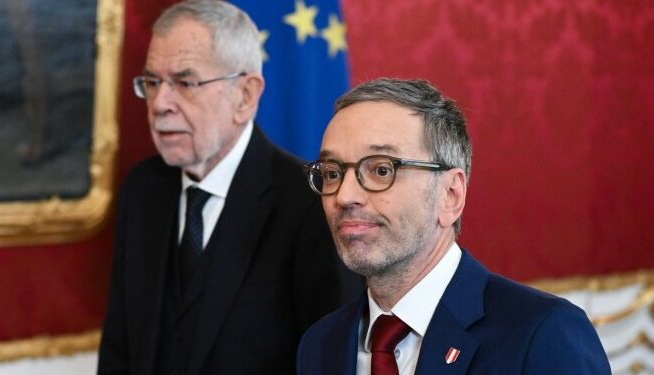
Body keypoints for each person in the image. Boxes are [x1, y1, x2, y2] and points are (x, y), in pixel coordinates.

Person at [98, 1, 360, 374]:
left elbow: (329, 364)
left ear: (245, 96)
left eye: (185, 82)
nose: (160, 104)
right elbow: (118, 350)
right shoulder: (142, 190)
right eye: (153, 82)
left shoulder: (311, 205)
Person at [297, 78, 611, 374]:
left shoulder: (542, 333)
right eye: (332, 173)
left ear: (451, 195)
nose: (345, 196)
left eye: (381, 169)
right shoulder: (321, 344)